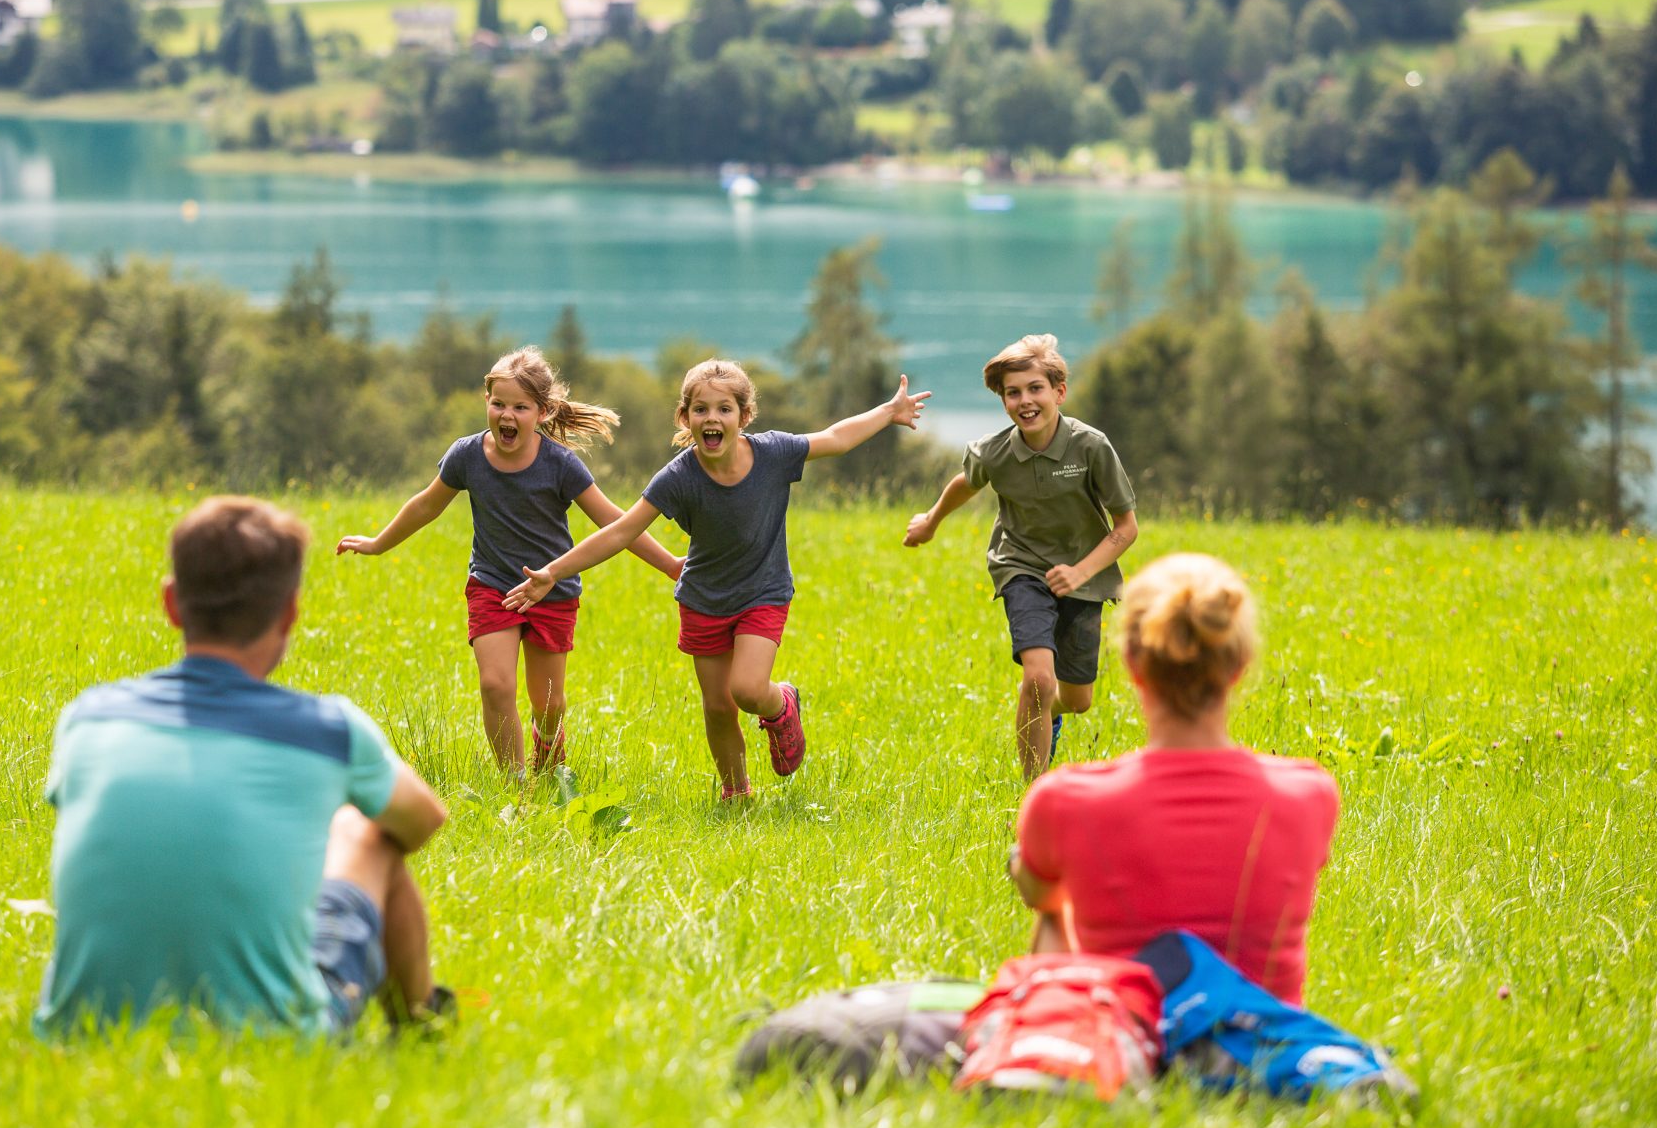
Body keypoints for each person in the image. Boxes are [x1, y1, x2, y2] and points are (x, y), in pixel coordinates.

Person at [35, 496, 452, 1038]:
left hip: (83, 1032)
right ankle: (420, 1029)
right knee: (368, 829)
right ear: (289, 613)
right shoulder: (328, 731)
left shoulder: (87, 719)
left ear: (172, 604)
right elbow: (422, 821)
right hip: (273, 1034)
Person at [506, 359, 929, 801]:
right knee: (718, 706)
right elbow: (621, 531)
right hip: (703, 599)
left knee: (746, 689)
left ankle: (781, 703)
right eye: (701, 409)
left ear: (744, 417)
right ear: (684, 417)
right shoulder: (678, 477)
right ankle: (737, 792)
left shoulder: (773, 454)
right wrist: (553, 572)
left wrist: (888, 412)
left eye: (724, 409)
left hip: (762, 593)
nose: (712, 419)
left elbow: (836, 439)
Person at [1008, 553, 1339, 1005]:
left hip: (1126, 1041)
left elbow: (1038, 892)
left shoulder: (1065, 799)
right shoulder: (1308, 795)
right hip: (1256, 1052)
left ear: (1131, 663)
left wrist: (1035, 886)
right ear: (1240, 665)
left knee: (1052, 906)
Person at [336, 347, 682, 777]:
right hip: (492, 585)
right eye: (499, 403)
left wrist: (669, 564)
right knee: (495, 685)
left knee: (550, 704)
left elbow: (615, 521)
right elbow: (426, 506)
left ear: (542, 411)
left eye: (520, 407)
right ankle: (516, 785)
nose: (507, 415)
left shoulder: (560, 464)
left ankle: (548, 749)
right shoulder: (466, 456)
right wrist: (378, 543)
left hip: (552, 591)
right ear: (486, 402)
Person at [903, 334, 1138, 777]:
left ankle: (1049, 715)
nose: (1025, 401)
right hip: (1021, 567)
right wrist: (931, 522)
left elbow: (1126, 528)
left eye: (1035, 389)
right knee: (1037, 678)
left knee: (1077, 699)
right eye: (1013, 392)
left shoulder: (1090, 447)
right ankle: (1033, 794)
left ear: (1059, 393)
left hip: (1085, 576)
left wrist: (1081, 572)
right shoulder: (994, 451)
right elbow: (965, 483)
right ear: (1003, 400)